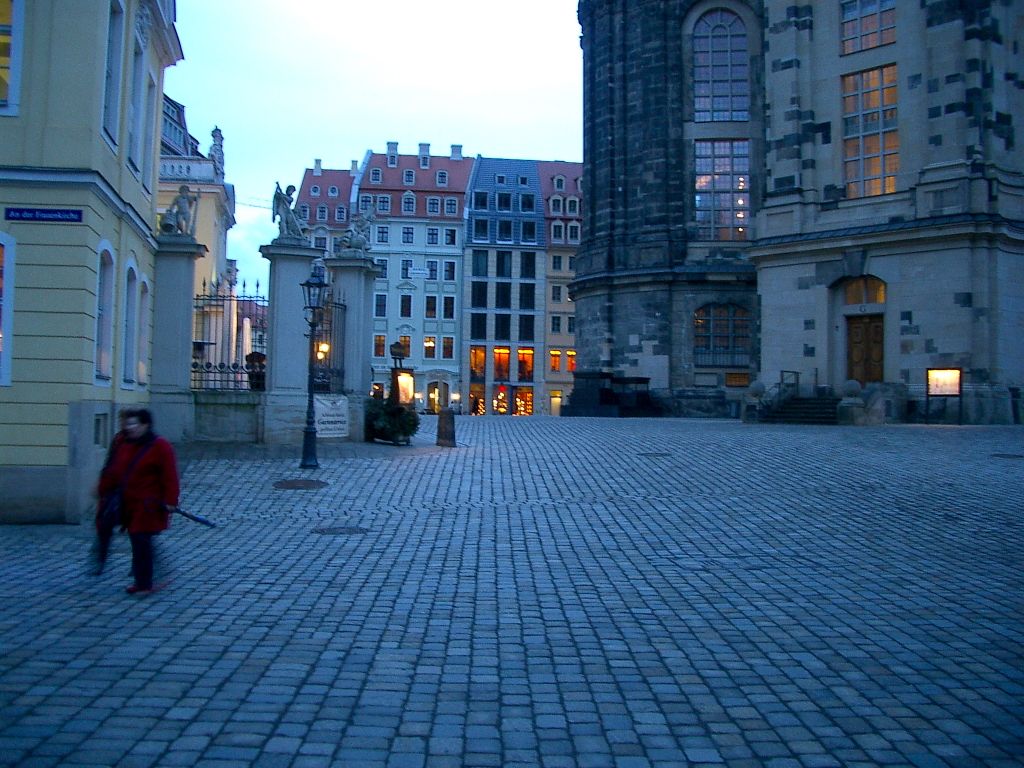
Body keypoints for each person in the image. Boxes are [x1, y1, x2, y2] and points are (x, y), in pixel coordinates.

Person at [96, 408, 180, 595]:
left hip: (148, 505)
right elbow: (112, 469)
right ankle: (141, 579)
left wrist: (171, 500)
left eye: (134, 424)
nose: (130, 427)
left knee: (141, 540)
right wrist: (103, 490)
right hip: (127, 503)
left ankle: (144, 584)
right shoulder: (122, 443)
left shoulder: (160, 446)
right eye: (128, 424)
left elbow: (170, 476)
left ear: (145, 425)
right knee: (137, 541)